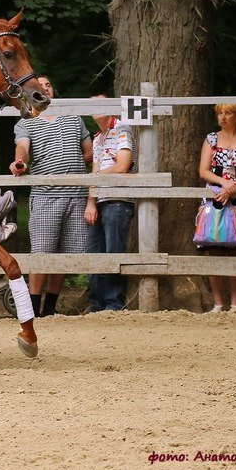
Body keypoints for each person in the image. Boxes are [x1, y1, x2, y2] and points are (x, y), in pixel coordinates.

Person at [10, 76, 92, 317]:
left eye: (48, 85)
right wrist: (19, 162)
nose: (45, 88)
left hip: (76, 196)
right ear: (31, 93)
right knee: (42, 254)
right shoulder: (26, 122)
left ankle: (50, 308)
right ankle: (32, 309)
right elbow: (22, 149)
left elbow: (88, 153)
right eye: (40, 85)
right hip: (46, 196)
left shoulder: (73, 118)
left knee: (65, 255)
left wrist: (71, 167)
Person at [197, 104, 236, 313]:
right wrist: (224, 184)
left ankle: (235, 304)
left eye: (228, 113)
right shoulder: (211, 139)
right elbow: (203, 170)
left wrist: (235, 186)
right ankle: (217, 303)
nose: (223, 117)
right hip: (216, 195)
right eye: (220, 113)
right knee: (214, 245)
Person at [84, 96, 136, 312]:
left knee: (114, 250)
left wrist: (98, 176)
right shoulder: (97, 138)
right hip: (100, 199)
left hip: (118, 199)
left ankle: (114, 303)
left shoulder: (122, 128)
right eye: (92, 105)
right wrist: (90, 203)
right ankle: (96, 303)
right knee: (93, 251)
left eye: (100, 104)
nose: (95, 108)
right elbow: (96, 171)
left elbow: (123, 165)